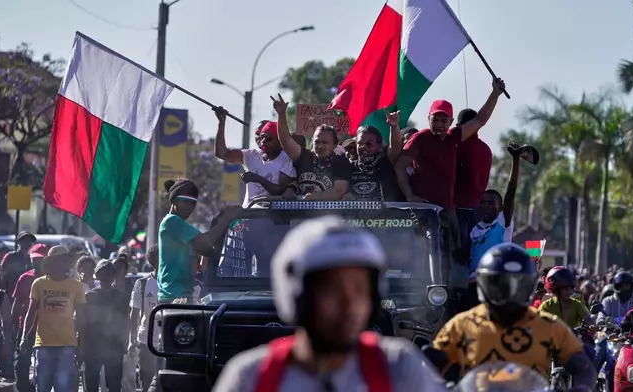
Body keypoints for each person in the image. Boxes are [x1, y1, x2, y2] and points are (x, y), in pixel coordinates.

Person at [213, 216, 447, 391]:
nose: (349, 305)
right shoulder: (251, 377)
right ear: (297, 295)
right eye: (332, 290)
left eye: (360, 290)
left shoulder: (399, 367)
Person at [428, 243, 596, 390]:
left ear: (530, 286)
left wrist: (582, 388)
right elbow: (431, 365)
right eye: (500, 285)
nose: (509, 293)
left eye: (518, 285)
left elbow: (583, 364)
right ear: (483, 284)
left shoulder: (549, 326)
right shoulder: (461, 325)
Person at [394, 78, 505, 209]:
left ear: (451, 122)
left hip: (447, 209)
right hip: (424, 208)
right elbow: (400, 166)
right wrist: (409, 196)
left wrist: (495, 94)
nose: (439, 124)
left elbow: (480, 120)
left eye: (444, 120)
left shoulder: (453, 137)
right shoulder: (419, 139)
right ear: (428, 119)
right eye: (435, 120)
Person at [456, 142, 521, 310]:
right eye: (483, 203)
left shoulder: (502, 224)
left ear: (499, 208)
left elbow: (511, 190)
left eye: (491, 203)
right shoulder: (474, 230)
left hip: (495, 283)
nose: (486, 206)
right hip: (473, 286)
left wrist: (516, 159)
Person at [158, 178, 242, 304]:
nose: (189, 207)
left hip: (182, 295)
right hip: (174, 297)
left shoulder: (182, 229)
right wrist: (227, 219)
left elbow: (207, 250)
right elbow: (206, 242)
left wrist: (218, 225)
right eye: (185, 202)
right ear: (173, 200)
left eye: (193, 203)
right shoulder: (172, 221)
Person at [21, 245, 86, 392]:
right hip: (43, 343)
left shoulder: (76, 286)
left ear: (67, 262)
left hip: (67, 344)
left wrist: (81, 345)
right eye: (56, 261)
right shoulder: (39, 283)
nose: (60, 264)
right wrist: (24, 337)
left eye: (63, 260)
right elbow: (31, 312)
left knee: (62, 386)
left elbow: (81, 318)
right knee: (42, 386)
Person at [272, 94, 352, 200]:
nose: (320, 145)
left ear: (335, 145)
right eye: (317, 141)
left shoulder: (341, 162)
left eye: (325, 142)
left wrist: (313, 198)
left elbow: (338, 191)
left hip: (328, 215)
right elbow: (285, 141)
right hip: (299, 213)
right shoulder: (303, 156)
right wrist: (281, 114)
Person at [214, 107, 295, 206]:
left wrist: (257, 178)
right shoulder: (251, 155)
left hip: (270, 217)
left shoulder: (286, 159)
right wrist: (221, 123)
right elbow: (222, 153)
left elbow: (280, 190)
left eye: (268, 138)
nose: (262, 141)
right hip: (248, 215)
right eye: (261, 136)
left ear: (279, 142)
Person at [83, 260, 128, 392]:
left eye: (109, 273)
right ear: (97, 275)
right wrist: (81, 345)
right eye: (103, 273)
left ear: (113, 275)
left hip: (114, 345)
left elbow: (125, 321)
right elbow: (82, 322)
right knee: (91, 385)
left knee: (114, 385)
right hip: (92, 346)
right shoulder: (89, 296)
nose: (106, 277)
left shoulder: (121, 297)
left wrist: (125, 342)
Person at [453, 109, 492, 246]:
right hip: (478, 211)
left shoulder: (456, 146)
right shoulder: (486, 149)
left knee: (456, 253)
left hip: (458, 210)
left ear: (459, 127)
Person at [12, 244, 47, 392]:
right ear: (31, 259)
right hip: (26, 327)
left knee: (43, 364)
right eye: (35, 259)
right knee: (22, 362)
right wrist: (14, 328)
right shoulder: (24, 278)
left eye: (41, 260)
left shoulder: (52, 280)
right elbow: (16, 304)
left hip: (46, 328)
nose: (38, 262)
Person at [347, 109, 403, 201]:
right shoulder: (350, 166)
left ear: (379, 145)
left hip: (387, 213)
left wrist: (394, 126)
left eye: (369, 143)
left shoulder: (386, 161)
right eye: (360, 143)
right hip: (358, 214)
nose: (363, 147)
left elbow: (395, 147)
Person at [130, 245, 160, 392]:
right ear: (152, 260)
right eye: (159, 256)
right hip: (145, 341)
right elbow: (134, 314)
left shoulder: (175, 284)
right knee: (146, 381)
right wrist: (132, 340)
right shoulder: (142, 283)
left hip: (166, 343)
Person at [1, 231, 36, 299]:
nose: (27, 242)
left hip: (27, 296)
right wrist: (3, 295)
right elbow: (2, 276)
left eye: (30, 240)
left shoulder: (32, 258)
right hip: (10, 294)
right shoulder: (10, 257)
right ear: (19, 242)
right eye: (24, 240)